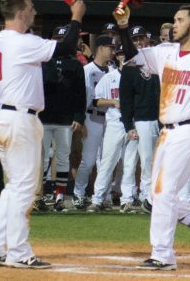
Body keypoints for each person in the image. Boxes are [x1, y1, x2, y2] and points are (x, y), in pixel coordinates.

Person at [114, 4, 190, 270]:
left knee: (165, 191)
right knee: (158, 195)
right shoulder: (166, 52)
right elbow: (133, 55)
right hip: (167, 132)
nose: (174, 25)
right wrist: (124, 26)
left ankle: (162, 254)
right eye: (174, 20)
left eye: (180, 20)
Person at [0, 0, 86, 269]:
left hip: (2, 115)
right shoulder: (20, 41)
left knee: (14, 188)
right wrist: (76, 17)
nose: (34, 11)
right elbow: (66, 48)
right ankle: (18, 252)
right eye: (31, 6)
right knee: (25, 188)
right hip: (19, 118)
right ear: (19, 11)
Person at [37, 25, 87, 212]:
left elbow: (80, 93)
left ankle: (59, 196)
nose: (60, 42)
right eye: (57, 38)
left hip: (65, 118)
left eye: (63, 39)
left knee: (63, 157)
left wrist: (79, 116)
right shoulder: (43, 61)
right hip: (43, 116)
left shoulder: (74, 64)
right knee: (41, 159)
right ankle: (39, 195)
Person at [87, 35, 138, 213]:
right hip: (115, 123)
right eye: (121, 54)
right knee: (108, 162)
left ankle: (127, 200)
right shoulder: (110, 77)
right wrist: (113, 101)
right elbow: (95, 101)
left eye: (127, 54)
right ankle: (98, 199)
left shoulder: (138, 77)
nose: (124, 57)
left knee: (130, 164)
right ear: (117, 56)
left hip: (133, 124)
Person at [120, 25, 160, 212]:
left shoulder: (158, 61)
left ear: (147, 40)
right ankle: (143, 196)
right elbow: (125, 99)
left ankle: (151, 197)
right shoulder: (129, 67)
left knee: (157, 160)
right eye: (134, 40)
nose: (138, 42)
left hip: (161, 120)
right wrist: (129, 125)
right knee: (144, 161)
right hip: (142, 119)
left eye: (141, 38)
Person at [72, 28, 114, 210]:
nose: (113, 51)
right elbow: (82, 97)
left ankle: (102, 196)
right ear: (101, 48)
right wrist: (80, 120)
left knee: (106, 161)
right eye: (110, 47)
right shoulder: (87, 70)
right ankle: (78, 194)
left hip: (111, 119)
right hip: (92, 118)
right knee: (88, 160)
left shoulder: (113, 70)